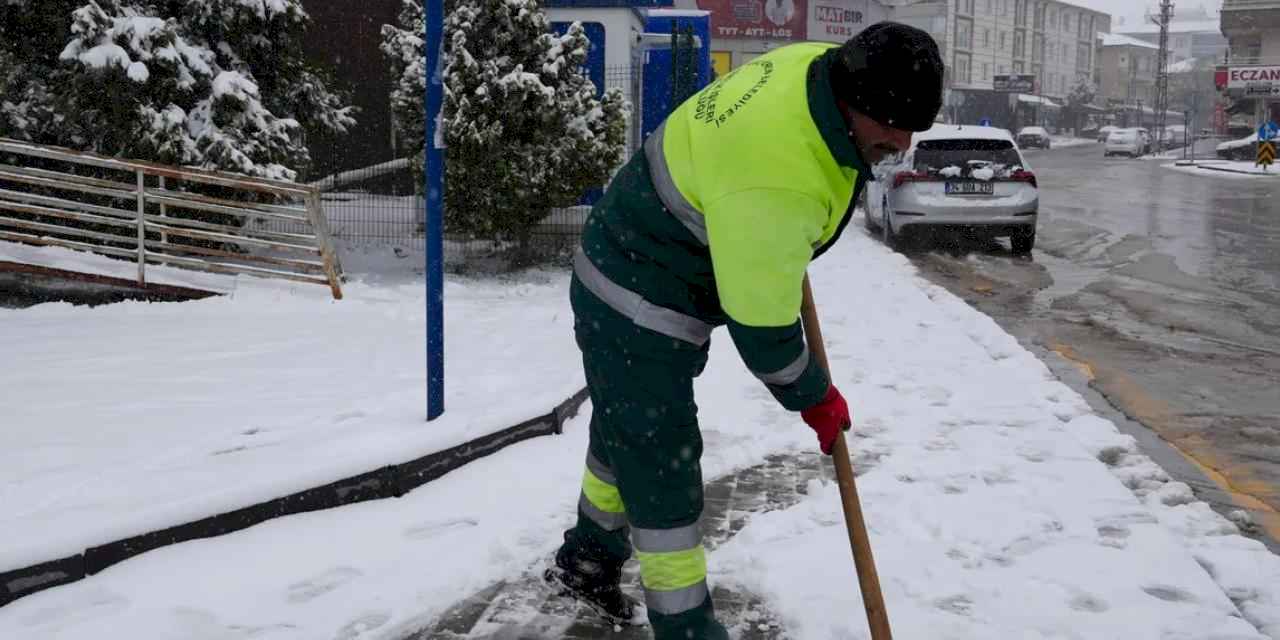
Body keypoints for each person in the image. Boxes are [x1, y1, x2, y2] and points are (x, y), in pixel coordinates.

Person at [544, 22, 944, 640]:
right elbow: (764, 332)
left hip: (642, 257)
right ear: (852, 98)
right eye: (891, 123)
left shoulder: (820, 68)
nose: (902, 140)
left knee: (624, 430)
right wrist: (814, 396)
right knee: (661, 469)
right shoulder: (776, 174)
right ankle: (686, 626)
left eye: (915, 126)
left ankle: (588, 559)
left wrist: (783, 238)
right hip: (635, 294)